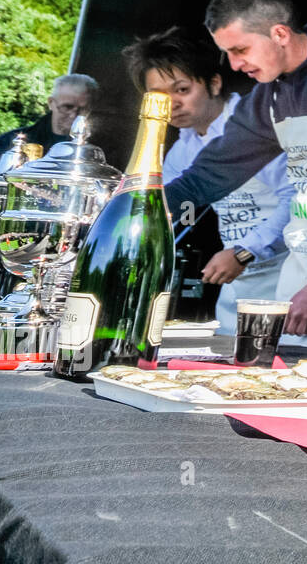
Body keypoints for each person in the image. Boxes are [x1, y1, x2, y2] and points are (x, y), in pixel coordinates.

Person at [164, 0, 307, 352]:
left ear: (279, 33)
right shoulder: (266, 96)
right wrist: (138, 205)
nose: (233, 65)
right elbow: (211, 173)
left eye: (240, 49)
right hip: (301, 257)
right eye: (226, 53)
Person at [122, 27, 294, 334]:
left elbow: (296, 200)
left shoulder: (255, 126)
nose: (171, 103)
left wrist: (245, 250)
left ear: (214, 83)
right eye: (159, 96)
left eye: (182, 90)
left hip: (289, 275)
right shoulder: (181, 152)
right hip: (238, 288)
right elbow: (167, 210)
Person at [0, 74, 99, 173]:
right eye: (67, 107)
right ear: (51, 103)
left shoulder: (101, 149)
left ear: (90, 108)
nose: (73, 115)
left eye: (83, 109)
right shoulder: (6, 143)